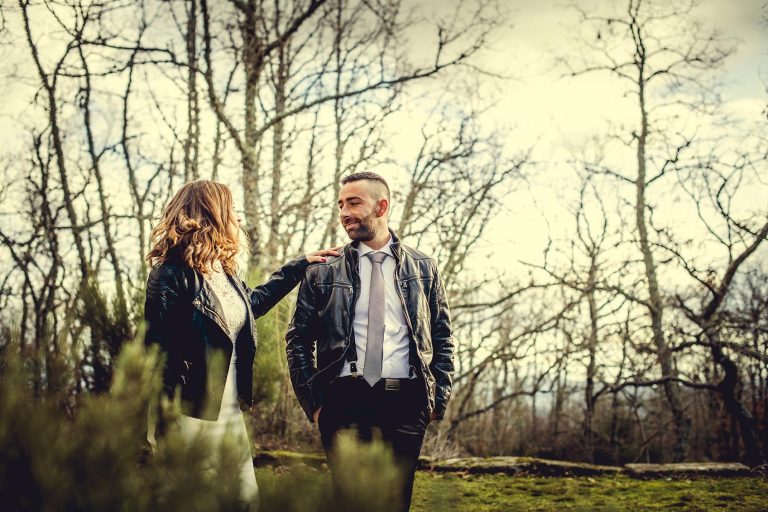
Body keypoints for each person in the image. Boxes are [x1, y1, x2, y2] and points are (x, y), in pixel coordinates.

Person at [143, 179, 339, 509]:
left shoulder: (223, 272)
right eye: (230, 209)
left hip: (230, 413)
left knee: (244, 501)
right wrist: (165, 426)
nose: (236, 217)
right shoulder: (170, 274)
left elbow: (251, 305)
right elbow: (158, 355)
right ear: (211, 213)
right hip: (190, 416)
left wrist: (298, 266)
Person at [285, 171, 455, 511]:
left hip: (406, 404)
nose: (344, 212)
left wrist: (436, 400)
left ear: (381, 206)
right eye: (340, 205)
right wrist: (315, 403)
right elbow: (297, 340)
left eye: (353, 203)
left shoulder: (424, 268)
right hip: (343, 401)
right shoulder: (323, 271)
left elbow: (443, 337)